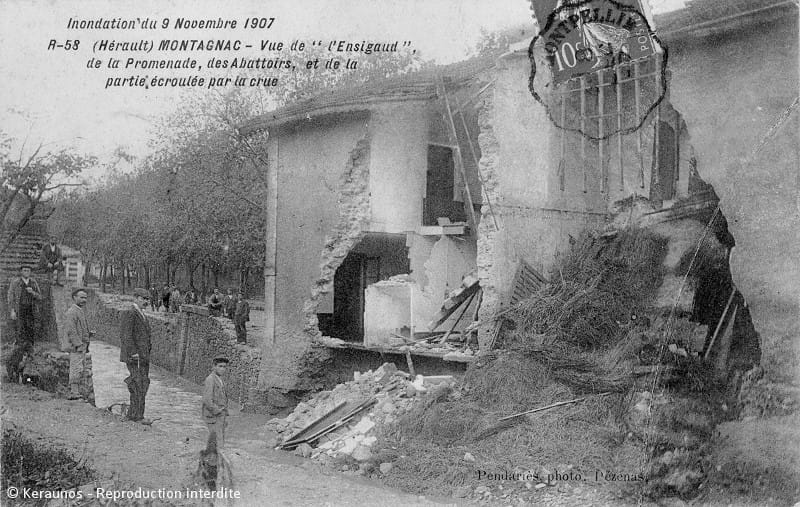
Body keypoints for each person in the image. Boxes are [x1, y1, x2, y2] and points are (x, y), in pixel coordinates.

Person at [120, 288, 152, 424]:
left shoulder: (141, 314)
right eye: (144, 299)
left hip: (143, 357)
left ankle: (136, 414)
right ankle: (136, 416)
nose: (146, 302)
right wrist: (133, 352)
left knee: (143, 383)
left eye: (148, 299)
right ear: (136, 298)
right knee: (138, 384)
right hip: (135, 357)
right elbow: (126, 335)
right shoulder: (130, 313)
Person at [6, 266, 42, 381]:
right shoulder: (16, 283)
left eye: (28, 270)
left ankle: (28, 369)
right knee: (20, 338)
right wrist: (12, 311)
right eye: (24, 270)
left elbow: (40, 297)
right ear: (21, 272)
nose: (26, 272)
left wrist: (33, 293)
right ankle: (15, 368)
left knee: (30, 338)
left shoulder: (33, 283)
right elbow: (10, 297)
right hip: (20, 313)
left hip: (30, 314)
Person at [62, 288, 96, 404]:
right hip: (76, 347)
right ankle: (74, 392)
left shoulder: (79, 311)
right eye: (81, 297)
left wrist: (88, 333)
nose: (84, 300)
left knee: (80, 368)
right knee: (76, 368)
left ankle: (77, 392)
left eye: (85, 298)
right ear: (74, 298)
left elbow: (79, 328)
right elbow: (71, 331)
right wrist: (78, 344)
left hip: (81, 345)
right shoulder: (72, 312)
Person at [202, 356, 229, 448]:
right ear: (214, 367)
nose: (222, 369)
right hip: (213, 416)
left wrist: (225, 412)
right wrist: (218, 411)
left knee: (219, 438)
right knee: (216, 440)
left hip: (220, 415)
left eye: (224, 367)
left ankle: (217, 458)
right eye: (220, 366)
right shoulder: (210, 379)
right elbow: (207, 400)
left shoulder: (220, 380)